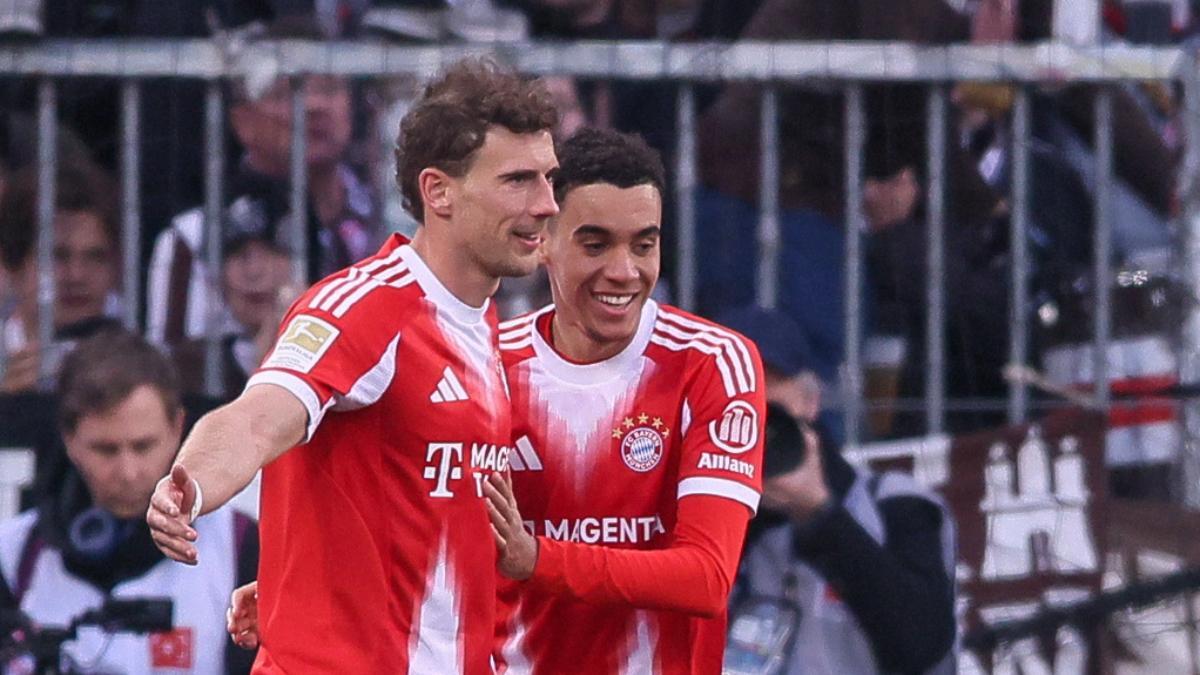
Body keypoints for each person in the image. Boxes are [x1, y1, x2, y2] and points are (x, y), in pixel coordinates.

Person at [225, 127, 766, 674]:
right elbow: (425, 522)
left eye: (644, 244)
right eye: (595, 243)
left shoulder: (713, 362)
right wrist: (309, 590)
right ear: (544, 239)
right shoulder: (488, 361)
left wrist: (538, 560)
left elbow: (706, 578)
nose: (624, 271)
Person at [146, 57, 559, 673]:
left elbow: (428, 516)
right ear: (438, 191)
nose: (547, 203)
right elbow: (259, 416)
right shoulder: (364, 308)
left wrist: (305, 582)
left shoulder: (484, 326)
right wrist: (192, 484)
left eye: (550, 178)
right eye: (518, 180)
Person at [0, 330, 258, 674]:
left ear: (178, 428)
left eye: (143, 446)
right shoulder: (13, 555)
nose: (128, 471)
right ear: (69, 439)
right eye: (105, 450)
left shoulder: (239, 547)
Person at [717, 305, 957, 675]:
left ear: (809, 402)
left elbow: (922, 648)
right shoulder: (694, 518)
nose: (753, 430)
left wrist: (819, 513)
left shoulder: (895, 504)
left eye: (769, 408)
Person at [146, 17, 382, 348]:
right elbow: (181, 372)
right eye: (288, 91)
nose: (314, 106)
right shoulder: (191, 239)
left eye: (329, 88)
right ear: (243, 122)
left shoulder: (391, 218)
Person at [0, 159, 123, 393]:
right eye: (58, 256)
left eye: (96, 257)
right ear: (14, 265)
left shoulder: (142, 366)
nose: (77, 276)